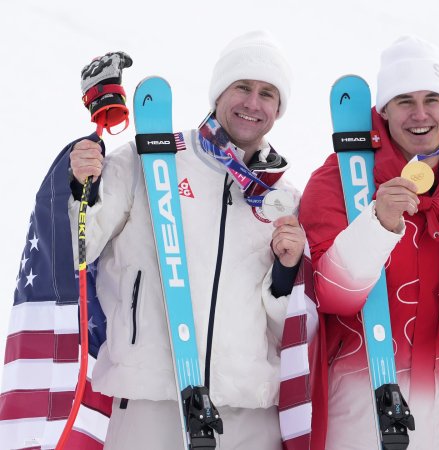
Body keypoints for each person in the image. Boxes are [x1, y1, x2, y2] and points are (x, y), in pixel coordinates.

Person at [67, 30, 305, 450]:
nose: (253, 103)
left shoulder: (283, 199)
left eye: (268, 94)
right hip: (151, 396)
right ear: (218, 93)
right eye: (242, 88)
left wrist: (287, 272)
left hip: (246, 410)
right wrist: (81, 186)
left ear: (279, 108)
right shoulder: (152, 158)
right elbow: (81, 246)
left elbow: (288, 327)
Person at [299, 36, 439, 449]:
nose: (420, 114)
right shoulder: (336, 182)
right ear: (383, 110)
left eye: (433, 99)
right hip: (361, 408)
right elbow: (329, 295)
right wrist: (378, 222)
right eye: (404, 101)